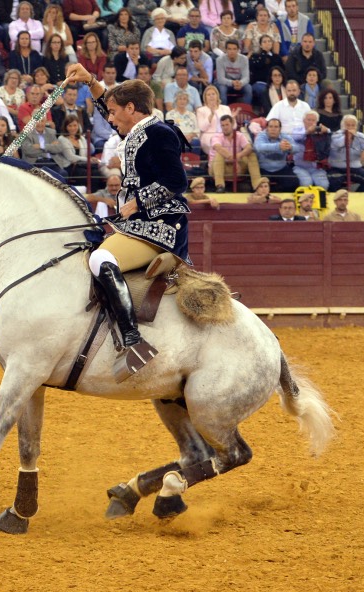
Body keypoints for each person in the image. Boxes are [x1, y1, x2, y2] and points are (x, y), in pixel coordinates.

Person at [68, 66, 189, 380]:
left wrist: (137, 202)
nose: (109, 117)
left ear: (131, 109)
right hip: (139, 222)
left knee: (101, 258)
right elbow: (108, 104)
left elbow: (177, 181)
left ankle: (132, 341)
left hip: (161, 225)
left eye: (113, 112)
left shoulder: (160, 133)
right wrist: (91, 82)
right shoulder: (139, 130)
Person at [209, 115, 260, 193]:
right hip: (218, 169)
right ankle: (220, 186)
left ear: (232, 124)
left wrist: (238, 156)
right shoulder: (216, 136)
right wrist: (234, 159)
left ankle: (257, 186)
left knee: (251, 154)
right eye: (222, 125)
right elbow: (218, 148)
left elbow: (249, 147)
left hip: (236, 167)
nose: (225, 127)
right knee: (220, 154)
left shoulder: (239, 135)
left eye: (227, 125)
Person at [327, 115, 364, 193]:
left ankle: (356, 199)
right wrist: (349, 135)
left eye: (353, 125)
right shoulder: (335, 135)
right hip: (337, 168)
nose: (350, 127)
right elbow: (340, 144)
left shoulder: (360, 136)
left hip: (354, 168)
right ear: (342, 126)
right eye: (347, 125)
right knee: (333, 183)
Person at [254, 118, 300, 191]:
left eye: (276, 127)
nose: (273, 129)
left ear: (280, 129)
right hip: (264, 169)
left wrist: (290, 147)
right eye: (271, 126)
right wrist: (278, 146)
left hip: (281, 168)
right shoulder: (261, 135)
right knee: (260, 186)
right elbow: (259, 147)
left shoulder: (285, 136)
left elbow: (297, 148)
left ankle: (276, 192)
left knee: (294, 183)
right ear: (267, 128)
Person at [291, 110, 330, 189]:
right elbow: (296, 137)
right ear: (304, 121)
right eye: (309, 120)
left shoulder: (319, 132)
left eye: (313, 120)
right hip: (300, 167)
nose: (311, 122)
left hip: (317, 167)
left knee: (324, 185)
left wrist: (327, 131)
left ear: (317, 122)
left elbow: (330, 136)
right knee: (306, 183)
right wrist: (307, 132)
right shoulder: (298, 130)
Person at [214, 39, 251, 106]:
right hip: (225, 84)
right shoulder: (220, 60)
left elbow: (246, 77)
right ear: (225, 50)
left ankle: (246, 110)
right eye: (229, 49)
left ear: (238, 50)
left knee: (248, 88)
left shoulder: (244, 59)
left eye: (234, 49)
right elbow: (220, 79)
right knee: (222, 88)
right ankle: (224, 111)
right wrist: (232, 83)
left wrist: (241, 83)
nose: (232, 51)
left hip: (239, 84)